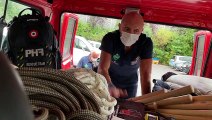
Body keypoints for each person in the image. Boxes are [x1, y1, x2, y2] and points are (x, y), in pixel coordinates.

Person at [98, 11, 153, 99]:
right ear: (120, 27)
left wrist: (147, 101)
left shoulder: (146, 43)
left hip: (130, 85)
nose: (131, 34)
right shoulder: (110, 39)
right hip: (108, 80)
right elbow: (102, 69)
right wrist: (109, 86)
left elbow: (145, 75)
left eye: (136, 31)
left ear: (141, 31)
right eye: (127, 29)